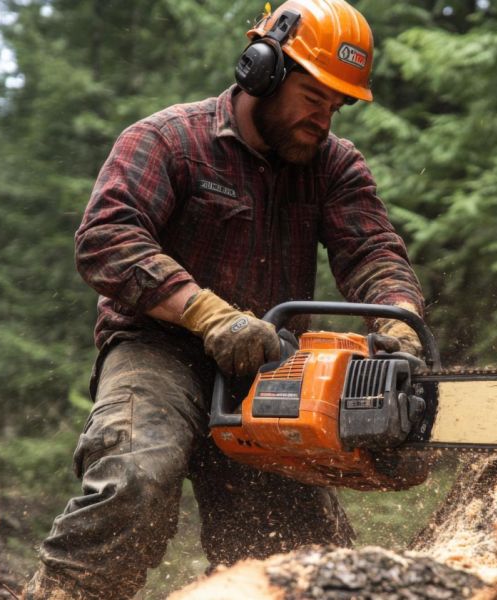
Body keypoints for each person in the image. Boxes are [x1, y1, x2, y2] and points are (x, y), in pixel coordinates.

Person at [23, 1, 424, 598]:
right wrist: (207, 313)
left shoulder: (334, 167)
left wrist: (403, 321)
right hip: (157, 348)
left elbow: (372, 253)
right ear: (262, 69)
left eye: (337, 106)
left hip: (269, 363)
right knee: (137, 474)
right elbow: (106, 237)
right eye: (315, 99)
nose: (325, 120)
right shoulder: (168, 140)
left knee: (297, 554)